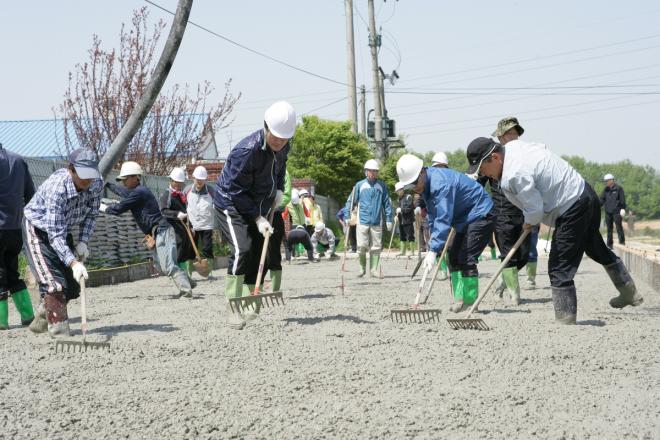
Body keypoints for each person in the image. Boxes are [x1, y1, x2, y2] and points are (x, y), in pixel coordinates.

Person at [467, 136, 643, 324]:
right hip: (584, 193)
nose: (485, 174)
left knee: (559, 265)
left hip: (572, 205)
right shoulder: (513, 147)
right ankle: (629, 293)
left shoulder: (514, 173)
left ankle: (565, 318)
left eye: (483, 169)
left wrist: (529, 221)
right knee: (595, 247)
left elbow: (535, 210)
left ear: (495, 158)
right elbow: (541, 149)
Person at [214, 101, 295, 330]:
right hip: (230, 203)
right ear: (266, 127)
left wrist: (279, 191)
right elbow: (235, 190)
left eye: (284, 139)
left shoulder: (284, 146)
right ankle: (232, 306)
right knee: (243, 249)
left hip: (259, 204)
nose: (279, 142)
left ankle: (251, 300)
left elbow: (280, 169)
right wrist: (257, 218)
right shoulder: (247, 151)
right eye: (276, 137)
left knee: (259, 252)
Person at [396, 154, 494, 313]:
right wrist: (432, 247)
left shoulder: (440, 184)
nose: (414, 188)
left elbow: (443, 217)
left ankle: (470, 303)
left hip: (480, 212)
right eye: (410, 186)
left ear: (422, 172)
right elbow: (433, 216)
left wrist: (434, 250)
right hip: (464, 218)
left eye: (414, 183)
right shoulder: (426, 185)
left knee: (466, 258)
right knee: (453, 257)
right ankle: (460, 299)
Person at [23, 148, 102, 337]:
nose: (87, 180)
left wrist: (83, 242)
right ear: (71, 169)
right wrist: (73, 263)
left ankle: (43, 316)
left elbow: (92, 215)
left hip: (62, 229)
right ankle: (60, 334)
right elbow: (55, 235)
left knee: (72, 287)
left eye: (91, 175)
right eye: (83, 175)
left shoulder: (97, 183)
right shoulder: (57, 188)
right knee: (54, 285)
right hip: (38, 230)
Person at [103, 161, 193, 298]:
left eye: (125, 179)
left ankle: (186, 291)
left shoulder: (139, 193)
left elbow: (119, 208)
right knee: (161, 265)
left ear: (135, 177)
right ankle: (188, 282)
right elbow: (122, 192)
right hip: (158, 232)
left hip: (162, 231)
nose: (123, 182)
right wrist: (107, 185)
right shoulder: (139, 191)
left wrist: (102, 208)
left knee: (167, 266)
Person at [487, 116, 532, 304]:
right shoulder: (492, 156)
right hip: (502, 215)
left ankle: (502, 280)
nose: (514, 137)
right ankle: (514, 295)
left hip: (523, 213)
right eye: (510, 134)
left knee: (523, 255)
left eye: (516, 134)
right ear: (501, 137)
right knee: (508, 255)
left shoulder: (524, 156)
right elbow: (478, 180)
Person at [0, 143, 35, 330]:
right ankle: (28, 315)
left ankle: (1, 321)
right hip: (15, 228)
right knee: (13, 272)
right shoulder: (19, 160)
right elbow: (31, 196)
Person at [345, 159, 393, 277]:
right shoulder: (359, 185)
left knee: (376, 247)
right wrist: (347, 216)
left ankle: (374, 270)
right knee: (361, 246)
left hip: (377, 221)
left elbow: (387, 203)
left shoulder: (382, 186)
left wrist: (389, 219)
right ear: (366, 172)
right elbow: (350, 201)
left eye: (375, 171)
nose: (373, 173)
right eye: (370, 171)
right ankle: (362, 269)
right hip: (362, 220)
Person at [160, 168, 196, 289]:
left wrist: (191, 227)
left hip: (183, 228)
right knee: (178, 254)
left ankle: (185, 277)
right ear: (171, 181)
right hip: (173, 229)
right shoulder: (167, 194)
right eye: (177, 183)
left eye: (181, 183)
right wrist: (176, 214)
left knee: (184, 253)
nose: (179, 186)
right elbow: (163, 211)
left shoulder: (181, 195)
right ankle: (182, 280)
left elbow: (186, 212)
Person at [185, 166, 215, 276]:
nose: (199, 182)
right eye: (197, 179)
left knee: (207, 249)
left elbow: (217, 203)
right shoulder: (187, 190)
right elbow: (183, 204)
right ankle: (189, 272)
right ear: (193, 178)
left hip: (207, 224)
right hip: (192, 225)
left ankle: (208, 271)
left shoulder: (211, 191)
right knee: (190, 249)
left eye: (202, 180)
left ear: (205, 179)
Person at [600, 173, 627, 248]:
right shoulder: (605, 190)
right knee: (609, 229)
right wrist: (596, 205)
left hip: (617, 212)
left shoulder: (619, 189)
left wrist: (623, 208)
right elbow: (601, 200)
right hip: (608, 212)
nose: (605, 182)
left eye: (606, 181)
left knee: (619, 227)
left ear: (611, 180)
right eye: (605, 181)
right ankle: (609, 244)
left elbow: (622, 200)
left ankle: (622, 242)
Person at [394, 182, 415, 257]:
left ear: (402, 190)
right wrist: (396, 215)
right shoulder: (398, 199)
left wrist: (401, 210)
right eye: (396, 191)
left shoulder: (408, 197)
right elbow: (397, 209)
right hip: (401, 220)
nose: (397, 193)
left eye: (398, 191)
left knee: (410, 235)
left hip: (408, 220)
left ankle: (412, 251)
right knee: (402, 236)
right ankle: (402, 251)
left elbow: (409, 208)